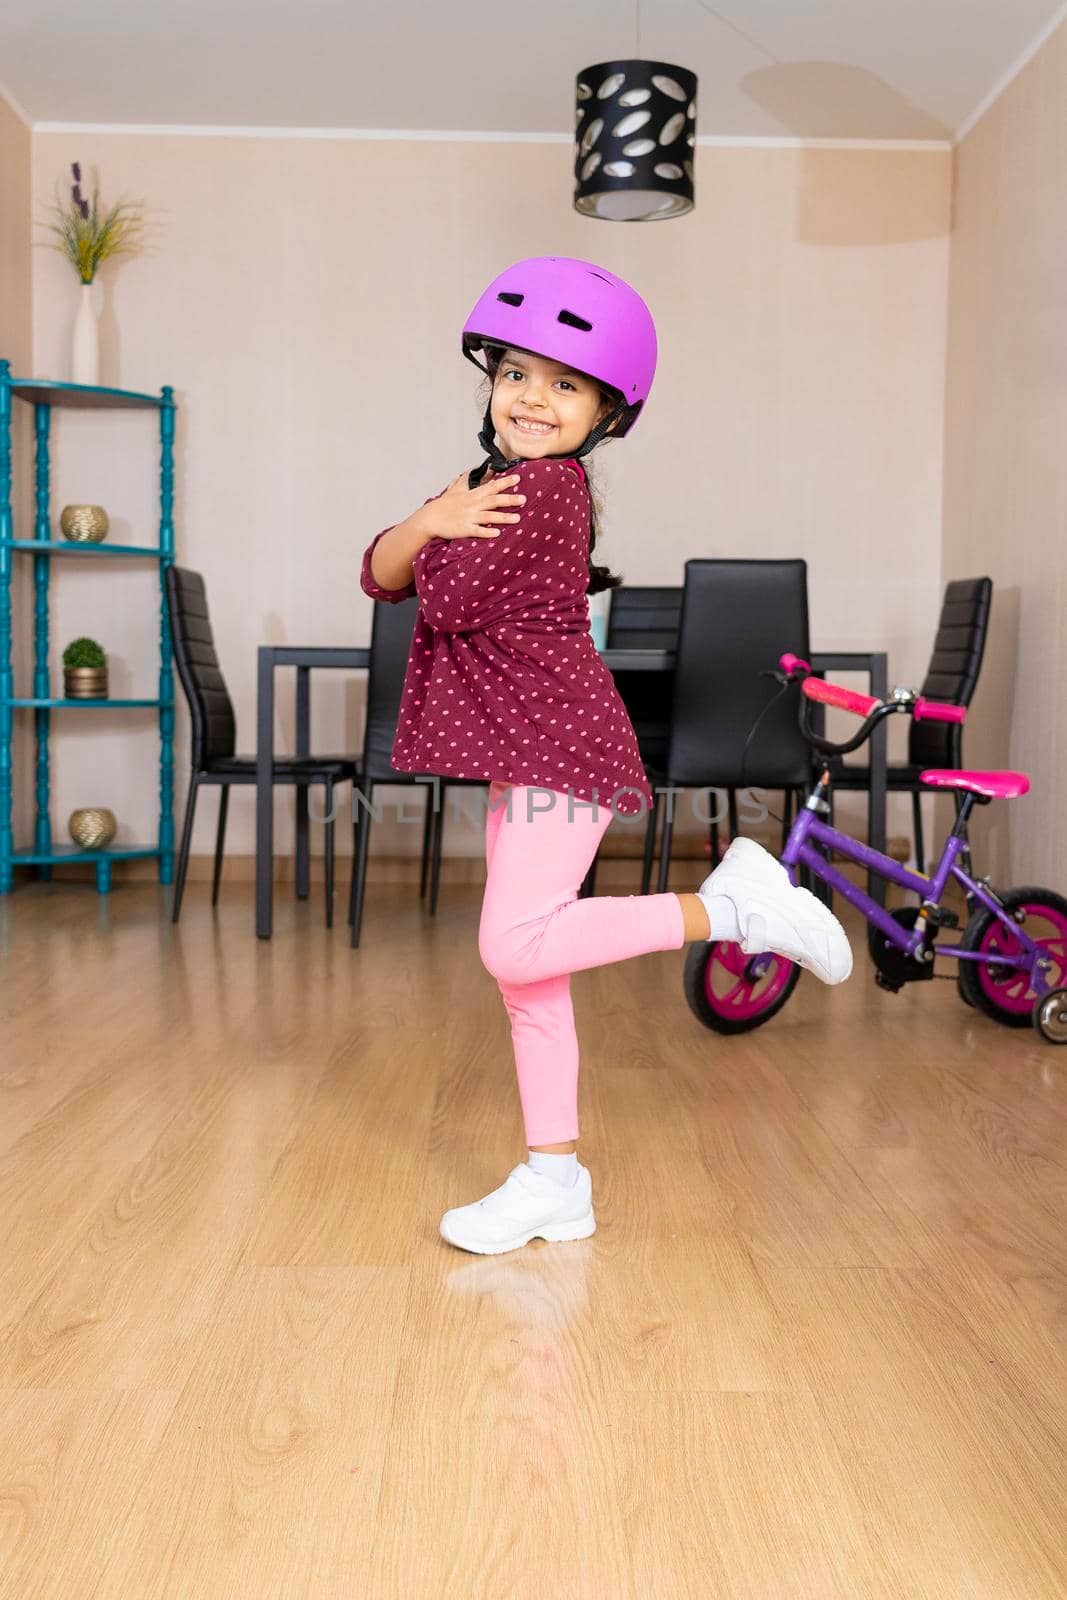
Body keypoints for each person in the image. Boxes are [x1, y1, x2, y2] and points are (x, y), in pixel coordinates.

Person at [360, 256, 852, 1256]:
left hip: (555, 746)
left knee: (512, 943)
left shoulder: (544, 491)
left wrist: (430, 528)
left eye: (562, 383)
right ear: (488, 382)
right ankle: (553, 1181)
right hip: (524, 747)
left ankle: (734, 907)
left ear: (603, 412)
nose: (530, 398)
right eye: (512, 374)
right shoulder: (484, 487)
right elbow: (379, 573)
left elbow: (439, 598)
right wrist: (428, 522)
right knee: (527, 980)